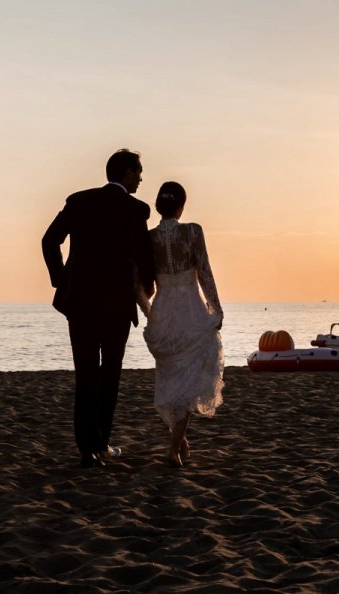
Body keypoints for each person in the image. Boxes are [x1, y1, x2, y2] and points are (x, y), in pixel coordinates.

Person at [42, 149, 156, 469]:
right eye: (138, 172)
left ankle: (87, 449)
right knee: (110, 374)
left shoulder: (78, 201)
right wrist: (148, 288)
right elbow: (143, 255)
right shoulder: (135, 209)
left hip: (79, 303)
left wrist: (61, 278)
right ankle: (101, 443)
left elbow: (49, 241)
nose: (141, 179)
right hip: (116, 305)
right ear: (126, 173)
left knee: (86, 373)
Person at [138, 182, 224, 468]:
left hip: (163, 309)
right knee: (188, 381)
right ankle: (174, 447)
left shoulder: (148, 238)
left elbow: (137, 285)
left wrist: (150, 313)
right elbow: (205, 272)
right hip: (189, 308)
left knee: (171, 378)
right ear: (181, 205)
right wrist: (216, 308)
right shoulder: (193, 231)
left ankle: (179, 439)